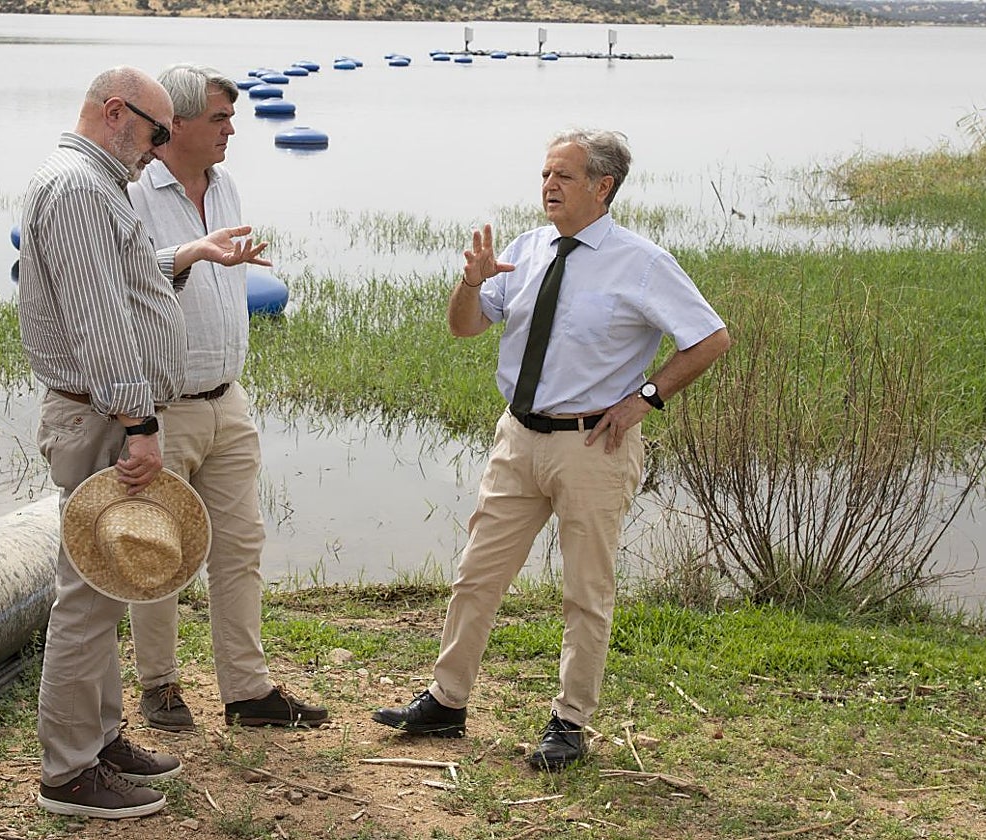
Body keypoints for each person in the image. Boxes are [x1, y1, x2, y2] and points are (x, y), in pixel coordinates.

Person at [371, 129, 731, 772]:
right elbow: (466, 325)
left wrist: (642, 399)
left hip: (593, 445)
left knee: (585, 592)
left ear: (603, 186)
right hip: (518, 437)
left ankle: (569, 722)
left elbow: (709, 338)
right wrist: (469, 284)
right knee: (476, 576)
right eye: (544, 175)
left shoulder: (641, 262)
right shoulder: (527, 249)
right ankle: (446, 702)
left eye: (564, 176)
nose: (549, 187)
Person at [18, 65, 269, 820]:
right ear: (116, 113)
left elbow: (117, 281)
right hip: (103, 419)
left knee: (101, 586)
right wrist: (140, 424)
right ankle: (67, 774)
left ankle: (98, 741)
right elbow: (98, 322)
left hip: (105, 415)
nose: (159, 149)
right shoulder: (83, 188)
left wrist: (188, 256)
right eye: (156, 133)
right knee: (89, 598)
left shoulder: (89, 184)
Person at [126, 63, 329, 733]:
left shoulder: (228, 184)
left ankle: (247, 690)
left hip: (227, 401)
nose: (232, 129)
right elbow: (120, 281)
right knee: (158, 552)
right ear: (175, 123)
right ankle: (158, 685)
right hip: (161, 405)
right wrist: (191, 253)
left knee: (240, 547)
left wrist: (217, 260)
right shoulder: (131, 190)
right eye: (220, 118)